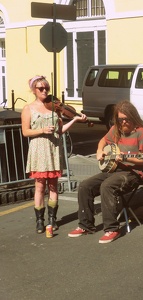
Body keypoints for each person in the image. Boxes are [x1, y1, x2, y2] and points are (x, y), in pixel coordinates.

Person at [68, 100, 143, 244]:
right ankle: (85, 225)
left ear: (133, 116)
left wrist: (126, 158)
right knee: (85, 185)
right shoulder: (115, 130)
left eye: (126, 119)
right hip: (114, 169)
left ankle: (112, 229)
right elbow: (103, 141)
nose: (123, 122)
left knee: (107, 186)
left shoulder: (141, 132)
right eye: (120, 119)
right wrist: (99, 151)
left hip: (134, 173)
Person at [21, 75, 87, 234]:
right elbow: (25, 132)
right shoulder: (28, 108)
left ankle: (52, 219)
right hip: (38, 149)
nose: (44, 91)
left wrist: (75, 120)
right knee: (39, 186)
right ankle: (39, 220)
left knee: (53, 186)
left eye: (46, 88)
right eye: (41, 88)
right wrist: (42, 130)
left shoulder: (53, 108)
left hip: (53, 148)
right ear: (34, 90)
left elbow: (60, 130)